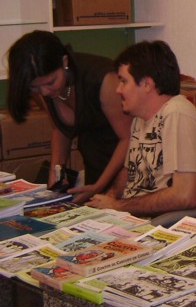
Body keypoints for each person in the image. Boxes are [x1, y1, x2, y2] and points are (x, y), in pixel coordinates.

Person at [88, 41, 196, 217]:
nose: (118, 90)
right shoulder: (139, 118)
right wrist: (108, 198)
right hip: (132, 218)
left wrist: (117, 206)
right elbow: (130, 172)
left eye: (124, 81)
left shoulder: (177, 113)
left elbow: (185, 196)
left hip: (163, 224)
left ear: (147, 84)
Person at [6, 31, 132, 203]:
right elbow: (59, 128)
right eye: (35, 87)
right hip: (95, 165)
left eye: (51, 82)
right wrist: (56, 173)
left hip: (127, 170)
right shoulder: (42, 85)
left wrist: (101, 185)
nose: (44, 92)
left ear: (64, 62)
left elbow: (128, 138)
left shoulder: (104, 80)